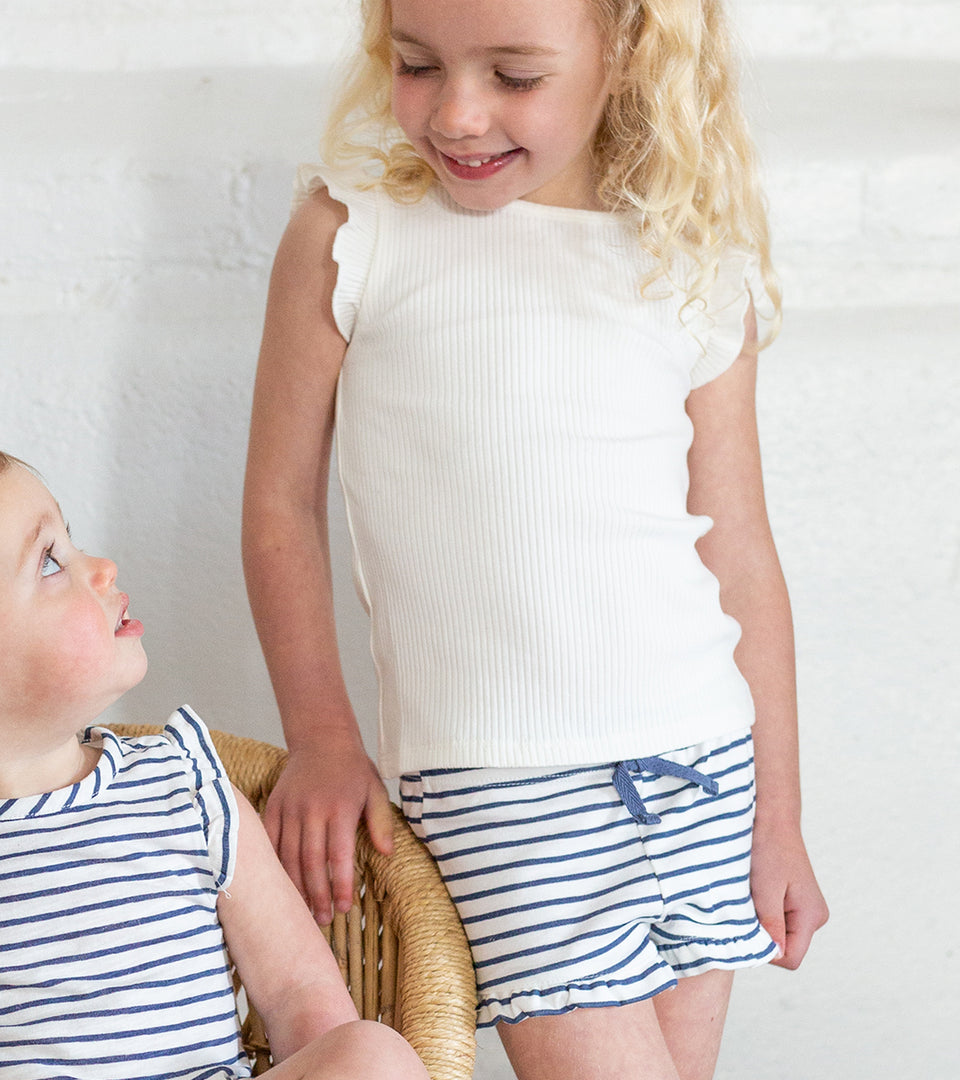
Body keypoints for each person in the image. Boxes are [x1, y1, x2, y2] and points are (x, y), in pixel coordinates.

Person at [243, 0, 830, 1077]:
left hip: (705, 764)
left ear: (631, 51)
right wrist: (322, 735)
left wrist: (779, 818)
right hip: (505, 785)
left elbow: (738, 547)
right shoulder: (353, 232)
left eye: (514, 76)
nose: (458, 113)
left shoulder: (693, 258)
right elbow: (281, 502)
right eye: (418, 65)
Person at [0, 436, 428, 1080]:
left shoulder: (186, 788)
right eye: (50, 562)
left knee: (370, 1053)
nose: (102, 566)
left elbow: (301, 998)